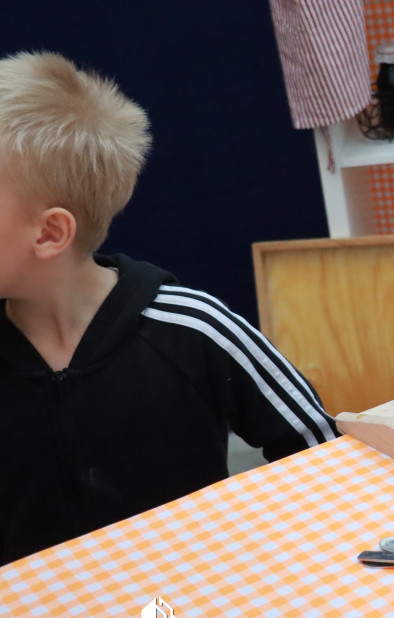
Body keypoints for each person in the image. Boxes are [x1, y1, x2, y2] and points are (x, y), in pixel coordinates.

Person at [0, 51, 339, 564]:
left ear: (49, 233)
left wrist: (268, 560)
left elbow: (324, 456)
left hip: (189, 616)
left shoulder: (196, 329)